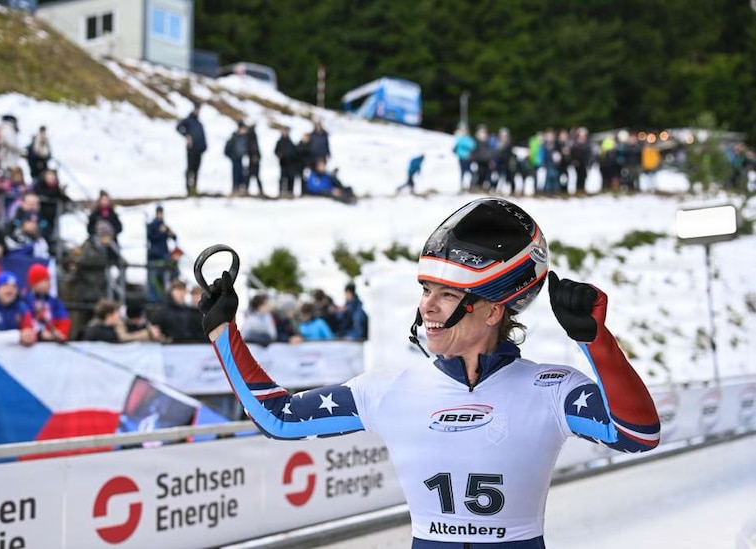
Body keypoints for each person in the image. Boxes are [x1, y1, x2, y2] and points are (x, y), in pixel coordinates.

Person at [197, 197, 661, 548]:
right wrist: (222, 331)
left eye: (447, 294)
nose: (427, 306)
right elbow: (278, 418)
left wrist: (595, 339)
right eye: (425, 289)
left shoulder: (550, 389)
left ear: (492, 310)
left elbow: (638, 434)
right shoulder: (390, 388)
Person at [24, 263, 71, 342]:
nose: (49, 283)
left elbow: (64, 320)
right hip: (32, 341)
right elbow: (24, 323)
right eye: (45, 280)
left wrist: (61, 334)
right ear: (34, 284)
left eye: (49, 280)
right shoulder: (25, 301)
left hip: (53, 341)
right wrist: (39, 334)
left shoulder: (55, 302)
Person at [83, 298, 162, 343]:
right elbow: (123, 338)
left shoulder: (116, 327)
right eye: (117, 313)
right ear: (110, 315)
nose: (119, 316)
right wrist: (147, 334)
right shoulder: (95, 330)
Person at [146, 204, 178, 303]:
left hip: (164, 255)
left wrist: (169, 233)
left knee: (164, 278)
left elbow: (174, 237)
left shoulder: (164, 225)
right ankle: (154, 300)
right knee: (153, 280)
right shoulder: (152, 225)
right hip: (155, 256)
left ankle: (163, 299)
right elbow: (151, 238)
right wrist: (161, 232)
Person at [176, 102, 207, 196]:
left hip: (199, 149)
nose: (197, 111)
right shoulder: (188, 120)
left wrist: (204, 146)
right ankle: (189, 189)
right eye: (196, 109)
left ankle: (194, 188)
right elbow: (178, 127)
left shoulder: (199, 123)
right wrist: (186, 135)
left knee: (196, 170)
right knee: (190, 169)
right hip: (192, 149)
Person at [274, 126, 299, 197]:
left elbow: (294, 152)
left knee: (290, 177)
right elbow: (276, 151)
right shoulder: (279, 142)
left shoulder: (290, 141)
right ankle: (281, 191)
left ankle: (290, 191)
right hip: (283, 163)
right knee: (282, 177)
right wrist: (280, 155)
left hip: (290, 163)